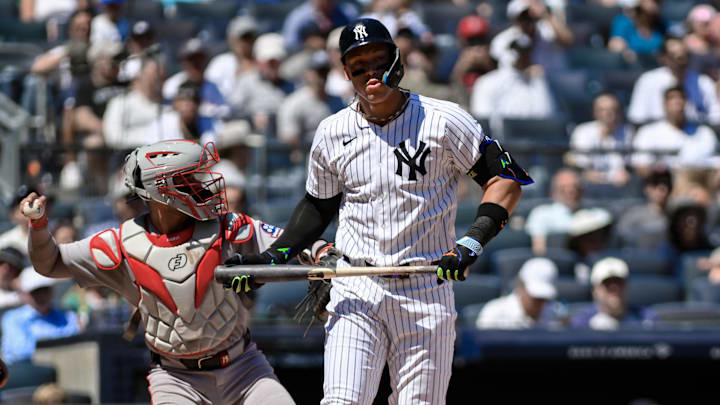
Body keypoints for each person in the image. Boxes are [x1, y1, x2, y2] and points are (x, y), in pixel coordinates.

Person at [227, 18, 533, 404]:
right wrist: (274, 257)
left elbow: (505, 180)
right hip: (357, 284)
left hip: (425, 285)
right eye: (359, 64)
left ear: (397, 60)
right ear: (346, 73)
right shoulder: (331, 131)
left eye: (378, 59)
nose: (371, 71)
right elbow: (318, 207)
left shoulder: (444, 119)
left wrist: (472, 242)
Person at [21, 140, 296, 404]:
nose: (204, 187)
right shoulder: (119, 244)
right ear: (162, 192)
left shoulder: (227, 225)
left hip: (243, 368)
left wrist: (321, 251)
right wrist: (39, 226)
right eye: (191, 181)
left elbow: (291, 241)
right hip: (176, 378)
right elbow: (51, 263)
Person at [470, 34, 556, 137]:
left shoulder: (536, 80)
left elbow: (547, 117)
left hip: (537, 144)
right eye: (517, 51)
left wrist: (539, 81)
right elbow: (484, 121)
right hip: (502, 146)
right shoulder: (486, 82)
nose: (522, 56)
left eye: (526, 51)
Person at [631, 87, 719, 180]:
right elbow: (641, 166)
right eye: (672, 98)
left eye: (681, 98)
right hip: (663, 186)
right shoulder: (648, 133)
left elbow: (715, 164)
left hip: (699, 185)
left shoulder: (705, 133)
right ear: (664, 104)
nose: (678, 102)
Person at [627, 37, 720, 126]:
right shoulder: (647, 81)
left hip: (694, 136)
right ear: (663, 58)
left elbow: (715, 117)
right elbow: (637, 117)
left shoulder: (703, 82)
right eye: (674, 56)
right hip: (657, 135)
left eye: (684, 55)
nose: (680, 60)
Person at [1, 268, 80, 365]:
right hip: (29, 373)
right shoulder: (12, 319)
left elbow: (76, 344)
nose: (41, 295)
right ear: (24, 294)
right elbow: (21, 352)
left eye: (44, 290)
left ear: (51, 291)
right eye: (36, 292)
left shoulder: (68, 316)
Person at [566, 92, 633, 188]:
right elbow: (579, 165)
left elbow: (630, 165)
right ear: (595, 112)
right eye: (603, 110)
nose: (609, 114)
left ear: (620, 112)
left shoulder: (629, 132)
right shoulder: (583, 131)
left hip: (621, 188)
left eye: (613, 110)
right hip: (587, 186)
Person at [571, 257, 654, 330]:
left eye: (619, 282)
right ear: (595, 290)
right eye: (607, 283)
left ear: (627, 287)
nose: (614, 288)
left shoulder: (645, 318)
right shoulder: (582, 325)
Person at [476, 257, 560, 329]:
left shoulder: (555, 315)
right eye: (535, 297)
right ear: (520, 286)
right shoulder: (494, 313)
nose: (539, 302)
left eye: (543, 298)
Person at [490, 0, 573, 71]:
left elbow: (568, 41)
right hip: (519, 86)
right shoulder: (503, 40)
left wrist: (545, 14)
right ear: (514, 19)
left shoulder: (545, 30)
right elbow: (511, 66)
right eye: (523, 17)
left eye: (530, 16)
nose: (527, 20)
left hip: (552, 82)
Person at [525, 169, 583, 255]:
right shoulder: (541, 213)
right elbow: (539, 250)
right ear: (553, 192)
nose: (571, 192)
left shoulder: (595, 214)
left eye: (575, 187)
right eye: (563, 189)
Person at [615, 166, 672, 250]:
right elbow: (621, 240)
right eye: (655, 183)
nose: (662, 188)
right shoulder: (633, 215)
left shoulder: (677, 215)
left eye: (667, 183)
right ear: (647, 189)